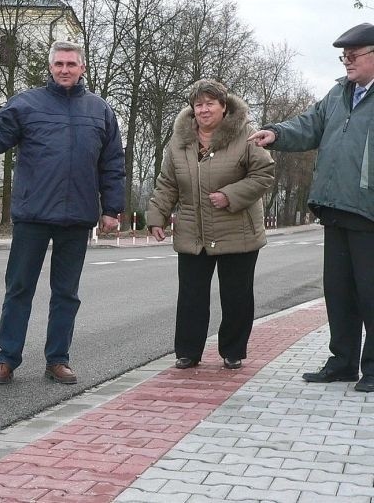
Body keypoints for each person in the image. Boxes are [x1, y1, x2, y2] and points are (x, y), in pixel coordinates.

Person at [0, 41, 125, 385]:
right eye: (59, 63)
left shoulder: (100, 110)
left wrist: (112, 208)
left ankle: (58, 360)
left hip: (77, 216)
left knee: (67, 294)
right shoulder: (27, 104)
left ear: (83, 68)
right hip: (33, 213)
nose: (65, 69)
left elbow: (112, 164)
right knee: (19, 289)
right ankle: (6, 360)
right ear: (51, 67)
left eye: (71, 64)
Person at [249, 22, 374, 392]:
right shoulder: (338, 95)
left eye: (353, 56)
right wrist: (276, 134)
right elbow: (310, 124)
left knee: (370, 294)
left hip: (369, 212)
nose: (347, 62)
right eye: (344, 56)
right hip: (335, 208)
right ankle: (342, 362)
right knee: (339, 292)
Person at [147, 79, 275, 371]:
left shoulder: (247, 135)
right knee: (191, 296)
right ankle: (188, 352)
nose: (204, 110)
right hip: (194, 230)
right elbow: (167, 183)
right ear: (192, 109)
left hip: (237, 230)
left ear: (223, 106)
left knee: (236, 295)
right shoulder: (179, 141)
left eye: (210, 104)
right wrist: (157, 216)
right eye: (198, 104)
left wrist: (230, 196)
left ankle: (233, 351)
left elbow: (264, 173)